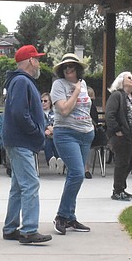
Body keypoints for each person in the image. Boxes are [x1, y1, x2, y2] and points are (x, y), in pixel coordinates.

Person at [0, 45, 52, 244]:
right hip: (22, 141)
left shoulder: (19, 81)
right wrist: (36, 131)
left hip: (18, 141)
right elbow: (20, 113)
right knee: (30, 184)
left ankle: (11, 228)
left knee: (19, 186)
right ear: (30, 61)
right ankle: (29, 230)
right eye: (37, 59)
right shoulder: (21, 81)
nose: (39, 63)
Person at [50, 53, 93, 233]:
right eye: (65, 67)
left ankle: (70, 217)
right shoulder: (58, 85)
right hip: (66, 133)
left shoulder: (84, 85)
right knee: (77, 174)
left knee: (74, 177)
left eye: (72, 67)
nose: (68, 69)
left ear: (78, 69)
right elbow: (65, 110)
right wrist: (76, 90)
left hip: (85, 134)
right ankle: (61, 216)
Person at [105, 71, 132, 201]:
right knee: (121, 163)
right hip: (121, 136)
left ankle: (122, 188)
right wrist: (117, 130)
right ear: (121, 81)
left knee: (129, 163)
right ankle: (117, 191)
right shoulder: (117, 96)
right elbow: (110, 115)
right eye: (129, 78)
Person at [40, 92, 59, 168]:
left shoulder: (55, 113)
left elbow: (58, 123)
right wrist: (46, 128)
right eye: (41, 101)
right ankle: (50, 160)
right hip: (42, 136)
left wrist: (53, 130)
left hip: (54, 135)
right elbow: (36, 124)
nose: (43, 103)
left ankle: (59, 160)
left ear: (50, 102)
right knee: (47, 140)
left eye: (45, 101)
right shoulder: (38, 113)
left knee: (55, 139)